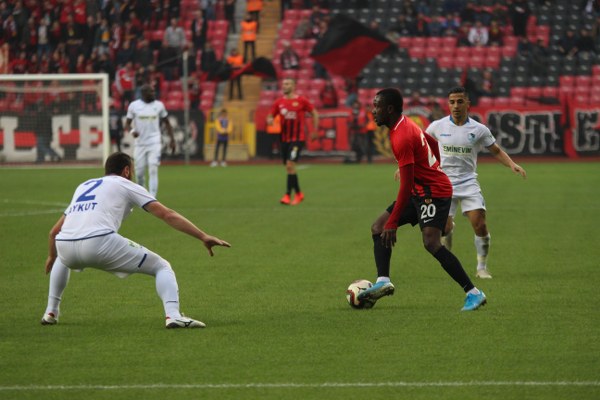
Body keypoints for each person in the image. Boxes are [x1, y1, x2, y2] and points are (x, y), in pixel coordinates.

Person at [40, 152, 231, 329]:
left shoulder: (84, 185)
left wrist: (51, 256)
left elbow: (54, 232)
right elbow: (167, 215)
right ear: (126, 171)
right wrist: (203, 236)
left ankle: (51, 311)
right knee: (161, 266)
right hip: (99, 242)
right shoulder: (126, 183)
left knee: (61, 257)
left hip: (65, 245)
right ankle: (173, 315)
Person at [357, 88, 487, 312]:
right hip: (421, 189)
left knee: (431, 243)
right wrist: (433, 167)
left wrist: (394, 222)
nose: (373, 111)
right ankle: (383, 280)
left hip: (433, 192)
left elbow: (405, 187)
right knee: (377, 228)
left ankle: (474, 293)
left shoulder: (402, 136)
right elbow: (432, 144)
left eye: (376, 106)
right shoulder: (404, 124)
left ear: (389, 109)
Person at [425, 86, 527, 279]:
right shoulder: (437, 126)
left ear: (468, 104)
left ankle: (481, 268)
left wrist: (511, 164)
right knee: (444, 228)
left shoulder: (479, 130)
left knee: (479, 224)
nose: (455, 106)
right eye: (452, 102)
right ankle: (450, 254)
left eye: (460, 101)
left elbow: (495, 150)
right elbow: (421, 147)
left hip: (468, 182)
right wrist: (406, 166)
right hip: (443, 183)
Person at [266, 78, 319, 206]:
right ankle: (299, 193)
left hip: (297, 139)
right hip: (284, 140)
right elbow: (270, 115)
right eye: (283, 84)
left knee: (290, 165)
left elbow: (314, 113)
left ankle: (287, 195)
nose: (285, 86)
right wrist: (269, 120)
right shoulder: (279, 102)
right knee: (289, 168)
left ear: (294, 86)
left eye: (288, 84)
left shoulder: (301, 100)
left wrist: (314, 130)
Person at [124, 84, 175, 198]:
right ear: (143, 94)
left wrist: (172, 140)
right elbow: (127, 123)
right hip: (140, 144)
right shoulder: (134, 106)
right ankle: (142, 195)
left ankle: (152, 198)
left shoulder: (159, 105)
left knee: (153, 168)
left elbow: (167, 122)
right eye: (150, 92)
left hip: (154, 142)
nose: (153, 94)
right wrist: (132, 131)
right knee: (139, 173)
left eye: (154, 91)